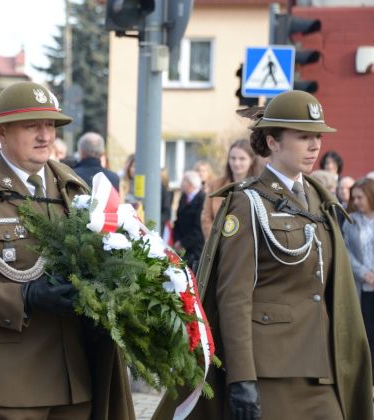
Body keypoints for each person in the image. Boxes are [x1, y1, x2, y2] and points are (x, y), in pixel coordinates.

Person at [156, 90, 372, 420]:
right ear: (272, 141)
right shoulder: (247, 202)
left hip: (322, 367)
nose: (315, 146)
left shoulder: (318, 199)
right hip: (271, 371)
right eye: (303, 137)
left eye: (317, 136)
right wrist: (243, 377)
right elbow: (234, 297)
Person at [0, 80, 134, 420]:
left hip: (73, 378)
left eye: (50, 125)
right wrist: (26, 296)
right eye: (32, 125)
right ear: (1, 132)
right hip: (6, 382)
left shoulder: (73, 189)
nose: (45, 135)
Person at [342, 178, 374, 388]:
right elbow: (345, 252)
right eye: (354, 198)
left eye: (360, 197)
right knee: (367, 334)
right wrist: (364, 273)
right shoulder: (350, 220)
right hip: (363, 287)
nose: (356, 201)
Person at [201, 139, 256, 240]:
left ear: (251, 160)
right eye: (233, 158)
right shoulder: (216, 185)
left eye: (242, 159)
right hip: (220, 245)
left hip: (248, 246)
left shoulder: (259, 186)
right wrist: (214, 242)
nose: (236, 163)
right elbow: (206, 217)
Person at [172, 170, 205, 273]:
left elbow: (199, 229)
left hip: (195, 249)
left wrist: (183, 243)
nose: (181, 184)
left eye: (183, 181)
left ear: (191, 184)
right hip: (182, 247)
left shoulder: (202, 199)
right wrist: (177, 240)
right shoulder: (183, 197)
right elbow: (177, 220)